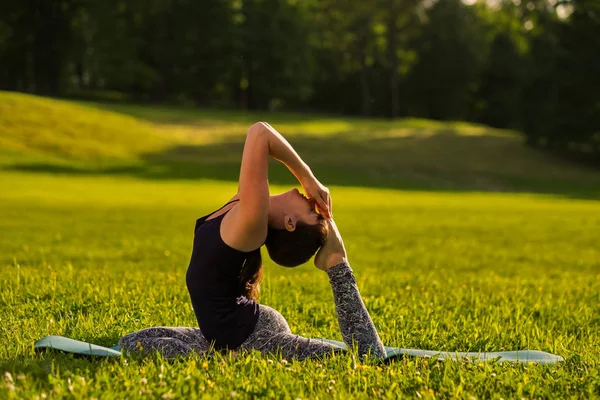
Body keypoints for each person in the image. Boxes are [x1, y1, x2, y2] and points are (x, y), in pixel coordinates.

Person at [119, 122, 386, 360]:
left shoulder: (252, 220)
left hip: (257, 340)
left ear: (290, 223)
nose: (310, 200)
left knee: (363, 357)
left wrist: (308, 178)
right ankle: (223, 354)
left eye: (311, 211)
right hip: (238, 329)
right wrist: (308, 179)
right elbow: (260, 132)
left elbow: (259, 133)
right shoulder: (248, 207)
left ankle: (337, 263)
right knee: (131, 342)